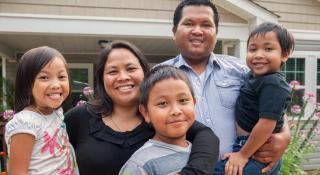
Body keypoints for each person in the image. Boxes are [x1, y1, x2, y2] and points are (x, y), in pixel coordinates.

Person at [161, 0, 291, 174]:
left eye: (206, 24)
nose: (198, 31)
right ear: (174, 31)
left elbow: (272, 106)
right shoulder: (158, 77)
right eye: (189, 23)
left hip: (242, 164)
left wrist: (285, 135)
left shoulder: (243, 70)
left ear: (216, 32)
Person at [64, 40, 219, 175]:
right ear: (102, 79)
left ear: (145, 73)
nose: (123, 77)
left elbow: (207, 137)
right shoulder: (79, 118)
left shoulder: (162, 120)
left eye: (131, 69)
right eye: (112, 71)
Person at [218, 22, 295, 175]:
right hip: (248, 147)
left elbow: (267, 123)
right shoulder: (253, 76)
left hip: (255, 151)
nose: (258, 54)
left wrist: (242, 155)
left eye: (268, 49)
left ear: (285, 54)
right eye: (253, 49)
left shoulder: (274, 83)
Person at [5, 46, 79, 175]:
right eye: (44, 77)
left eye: (61, 77)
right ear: (27, 84)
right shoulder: (26, 123)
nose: (56, 84)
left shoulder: (56, 113)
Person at [119, 65, 196, 175]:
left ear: (194, 103)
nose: (176, 111)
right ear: (145, 113)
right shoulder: (140, 164)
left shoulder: (199, 152)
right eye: (163, 103)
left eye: (183, 100)